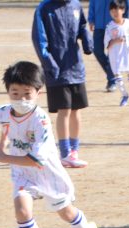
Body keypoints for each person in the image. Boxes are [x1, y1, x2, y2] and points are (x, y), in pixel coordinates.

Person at [0, 61, 103, 228]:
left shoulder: (40, 120)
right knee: (21, 209)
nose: (21, 99)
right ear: (8, 91)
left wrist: (3, 157)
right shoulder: (1, 112)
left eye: (27, 94)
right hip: (22, 172)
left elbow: (37, 161)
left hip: (46, 172)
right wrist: (2, 143)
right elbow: (5, 125)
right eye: (15, 93)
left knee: (66, 213)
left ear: (39, 92)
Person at [32, 0, 93, 168]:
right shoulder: (44, 8)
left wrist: (87, 42)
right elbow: (39, 40)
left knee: (76, 110)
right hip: (57, 69)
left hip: (75, 66)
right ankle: (65, 152)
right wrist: (50, 63)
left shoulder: (75, 5)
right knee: (64, 110)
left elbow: (82, 26)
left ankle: (74, 151)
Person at [88, 0, 129, 92]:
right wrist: (91, 19)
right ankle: (113, 75)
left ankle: (111, 81)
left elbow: (127, 3)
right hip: (98, 25)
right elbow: (92, 2)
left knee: (111, 53)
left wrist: (126, 20)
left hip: (114, 24)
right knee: (96, 50)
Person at [104, 0, 129, 107]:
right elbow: (107, 43)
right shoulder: (109, 26)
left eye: (117, 9)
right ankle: (125, 95)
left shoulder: (128, 23)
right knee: (118, 76)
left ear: (123, 10)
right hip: (116, 55)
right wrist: (115, 41)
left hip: (127, 53)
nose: (115, 12)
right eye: (112, 10)